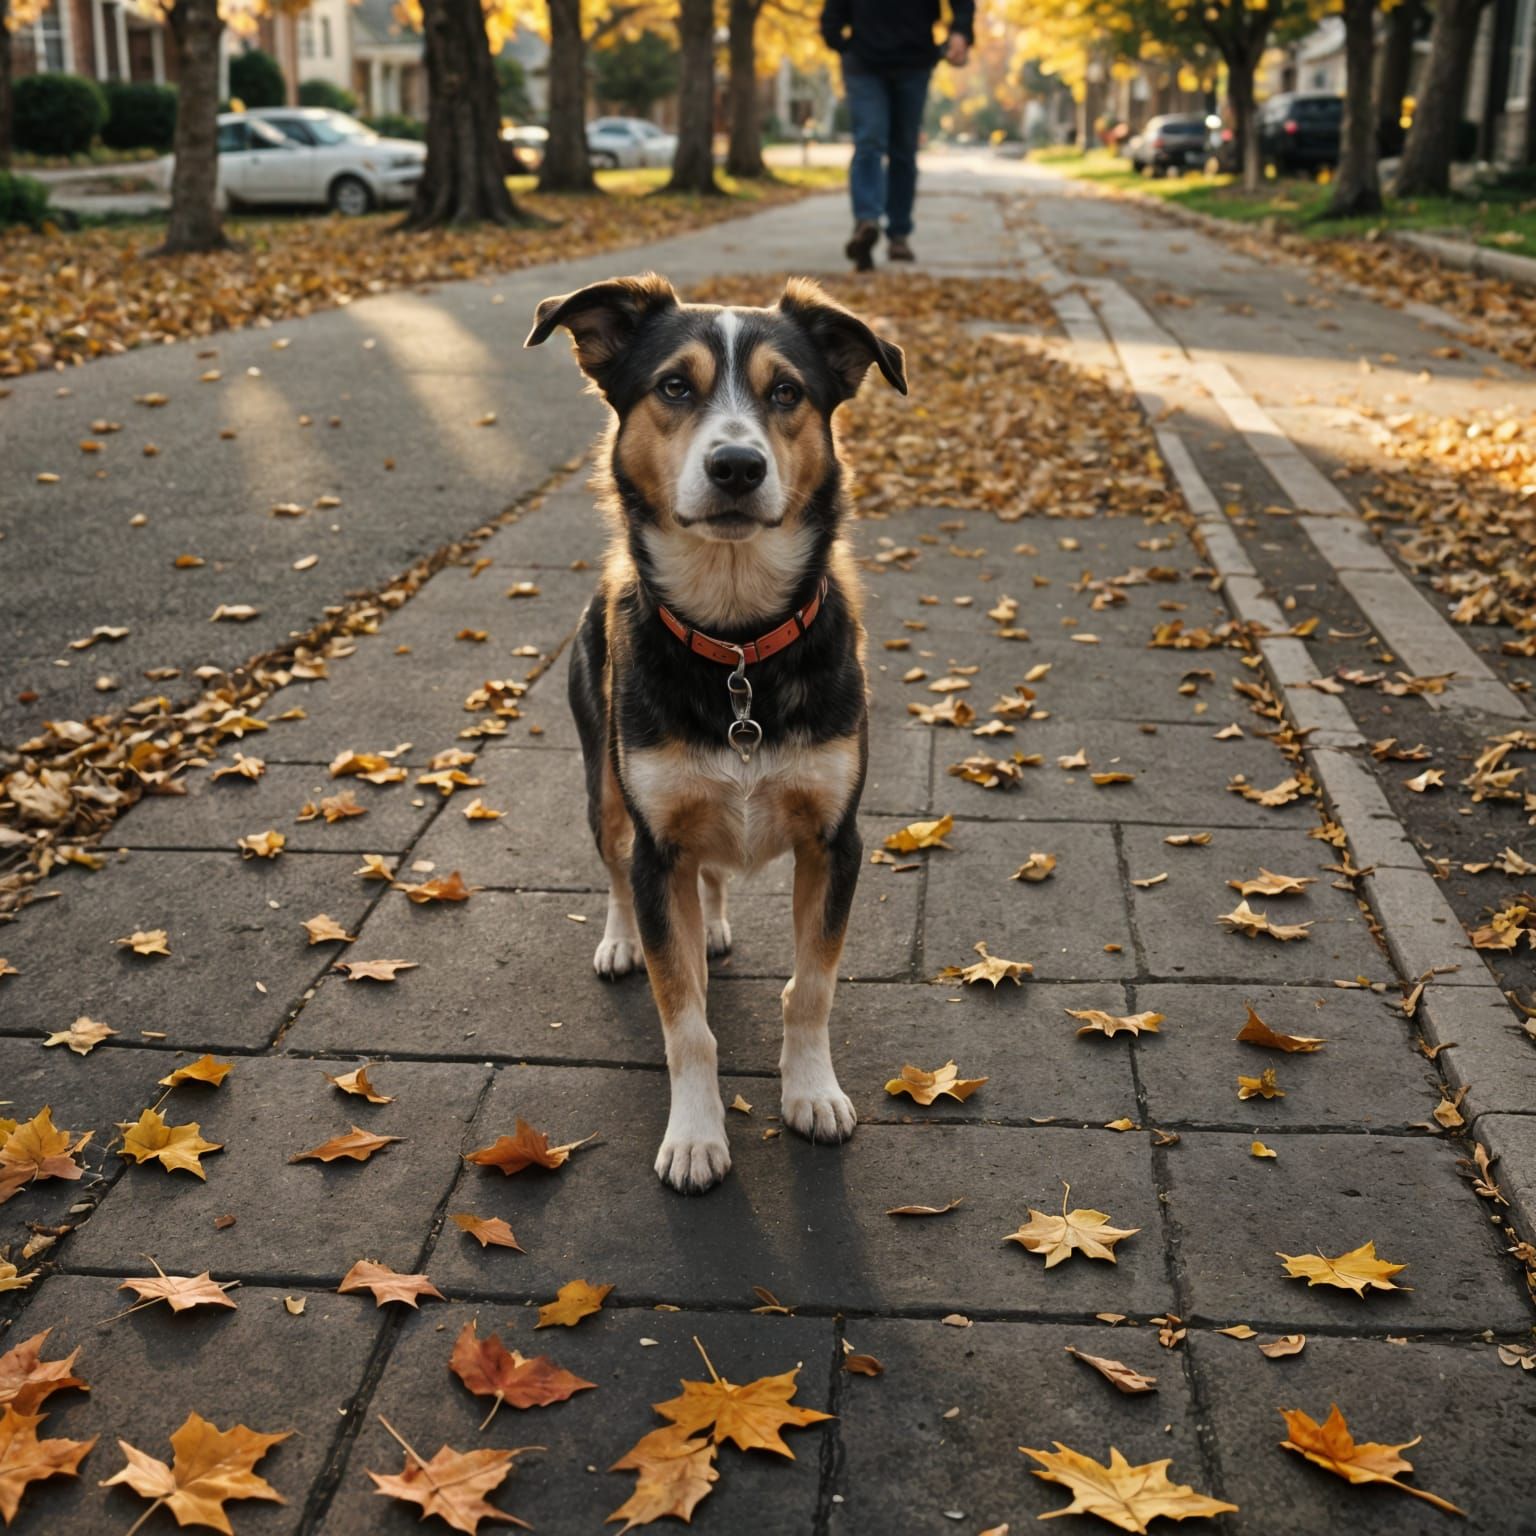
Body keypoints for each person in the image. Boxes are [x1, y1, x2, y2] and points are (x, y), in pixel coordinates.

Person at [820, 0, 974, 271]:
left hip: (914, 60)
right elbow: (833, 10)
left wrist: (961, 32)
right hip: (864, 61)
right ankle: (866, 222)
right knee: (869, 140)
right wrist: (839, 41)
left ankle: (899, 234)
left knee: (903, 150)